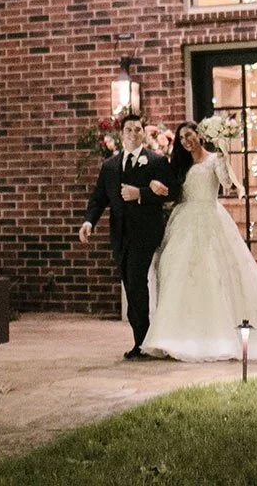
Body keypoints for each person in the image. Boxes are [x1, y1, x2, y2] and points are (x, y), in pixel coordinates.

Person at [140, 120, 257, 362]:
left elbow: (226, 183)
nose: (186, 141)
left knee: (217, 275)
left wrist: (224, 155)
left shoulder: (214, 159)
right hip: (184, 221)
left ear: (199, 135)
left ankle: (220, 336)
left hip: (211, 219)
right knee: (178, 273)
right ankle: (177, 336)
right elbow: (172, 192)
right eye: (181, 138)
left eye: (189, 135)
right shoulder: (179, 165)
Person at [78, 113, 179, 360]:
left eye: (137, 130)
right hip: (120, 235)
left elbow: (173, 192)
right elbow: (99, 198)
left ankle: (142, 342)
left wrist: (142, 193)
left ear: (144, 133)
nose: (133, 134)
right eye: (129, 130)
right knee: (130, 284)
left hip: (145, 233)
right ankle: (141, 340)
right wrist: (89, 221)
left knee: (135, 281)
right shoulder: (110, 166)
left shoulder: (155, 161)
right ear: (121, 134)